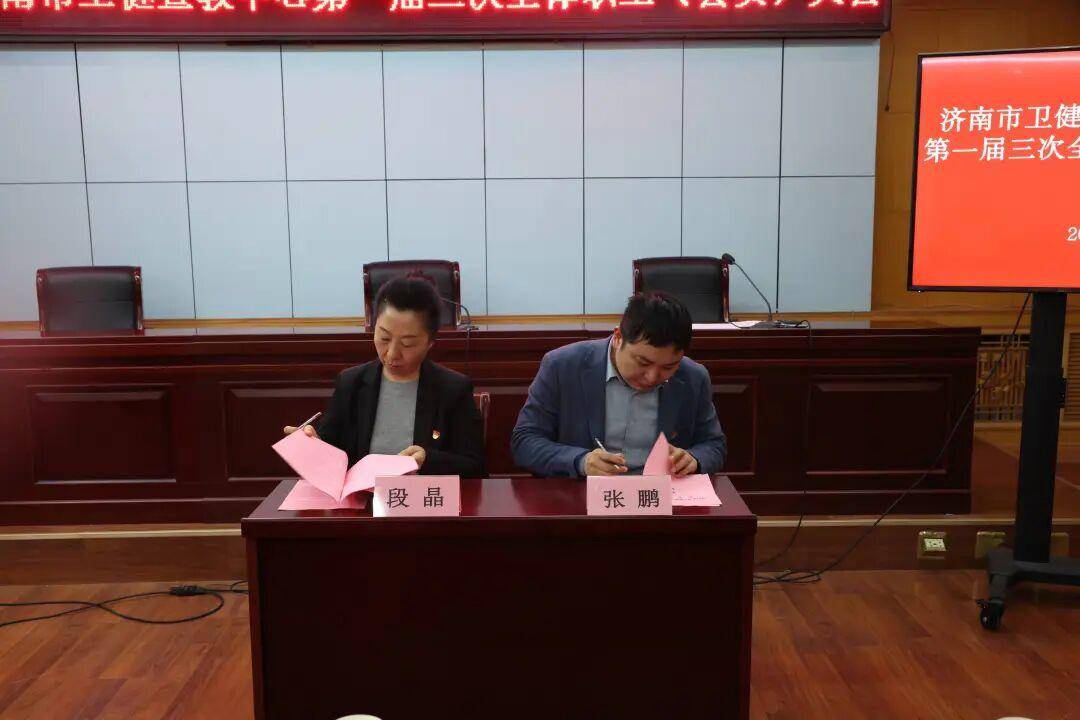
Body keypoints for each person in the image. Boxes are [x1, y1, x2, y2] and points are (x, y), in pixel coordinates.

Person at [283, 276, 485, 478]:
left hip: (419, 496)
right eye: (384, 338)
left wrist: (428, 461)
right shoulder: (351, 383)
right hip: (363, 496)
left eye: (407, 344)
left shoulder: (453, 389)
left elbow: (475, 466)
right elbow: (331, 449)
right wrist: (313, 446)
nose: (392, 353)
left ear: (430, 342)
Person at [511, 292, 726, 478]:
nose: (652, 377)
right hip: (584, 496)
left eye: (668, 367)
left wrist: (694, 459)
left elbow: (714, 445)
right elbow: (525, 441)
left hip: (659, 498)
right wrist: (581, 461)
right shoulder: (562, 366)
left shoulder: (693, 377)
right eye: (643, 362)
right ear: (618, 337)